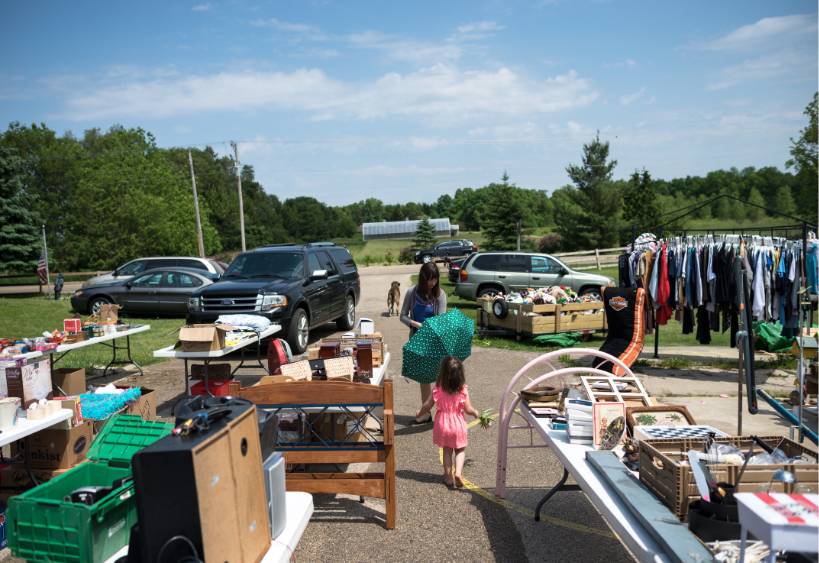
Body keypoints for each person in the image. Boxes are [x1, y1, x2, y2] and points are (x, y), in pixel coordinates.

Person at [415, 356, 480, 488]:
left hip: (443, 424)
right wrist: (475, 413)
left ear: (443, 373)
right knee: (460, 450)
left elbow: (427, 405)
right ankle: (458, 473)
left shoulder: (438, 388)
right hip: (458, 425)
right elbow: (468, 409)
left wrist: (420, 413)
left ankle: (448, 477)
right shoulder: (462, 389)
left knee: (447, 451)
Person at [400, 262, 447, 424]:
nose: (432, 283)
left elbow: (441, 321)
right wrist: (415, 324)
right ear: (422, 278)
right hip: (418, 341)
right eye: (429, 279)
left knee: (441, 378)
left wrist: (430, 327)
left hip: (435, 342)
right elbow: (402, 316)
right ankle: (426, 413)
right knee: (424, 378)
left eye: (435, 279)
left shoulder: (441, 295)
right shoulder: (412, 293)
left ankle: (445, 410)